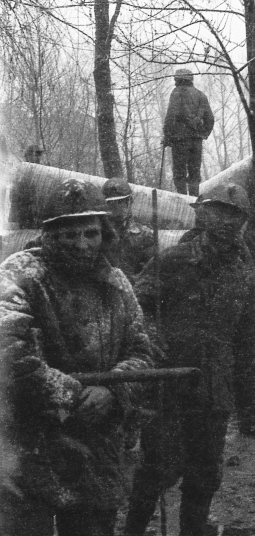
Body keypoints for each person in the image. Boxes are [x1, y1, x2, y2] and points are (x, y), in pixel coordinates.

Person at [0, 178, 153, 536]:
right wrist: (74, 395)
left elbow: (141, 351)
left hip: (95, 445)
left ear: (104, 233)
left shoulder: (116, 282)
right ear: (49, 235)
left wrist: (113, 391)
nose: (82, 244)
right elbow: (9, 354)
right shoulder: (20, 273)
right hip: (28, 441)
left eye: (90, 233)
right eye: (69, 234)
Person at [124, 183, 255, 536]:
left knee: (205, 473)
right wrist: (151, 335)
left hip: (214, 388)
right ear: (202, 214)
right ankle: (133, 531)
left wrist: (251, 398)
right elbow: (134, 307)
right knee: (158, 468)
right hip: (168, 384)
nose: (228, 221)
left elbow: (247, 341)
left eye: (236, 215)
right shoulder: (173, 260)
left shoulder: (243, 273)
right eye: (220, 211)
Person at [163, 68, 215, 196]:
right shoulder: (201, 95)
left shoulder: (176, 93)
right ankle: (194, 200)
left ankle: (183, 202)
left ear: (179, 79)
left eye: (175, 79)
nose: (174, 82)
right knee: (194, 173)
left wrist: (167, 136)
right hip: (196, 142)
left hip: (180, 140)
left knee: (179, 174)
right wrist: (202, 133)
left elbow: (171, 116)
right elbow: (210, 119)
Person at [100, 179, 156, 279]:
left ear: (130, 201)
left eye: (120, 201)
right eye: (111, 202)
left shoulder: (144, 235)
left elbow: (150, 272)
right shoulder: (97, 232)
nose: (116, 206)